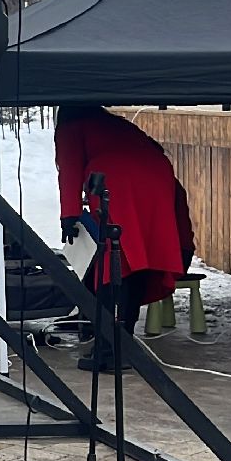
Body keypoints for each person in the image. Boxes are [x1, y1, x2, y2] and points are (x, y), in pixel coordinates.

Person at [55, 106, 196, 372]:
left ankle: (109, 353)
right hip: (157, 176)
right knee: (139, 259)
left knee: (113, 265)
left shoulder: (72, 123)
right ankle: (121, 344)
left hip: (117, 179)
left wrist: (69, 215)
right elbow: (155, 149)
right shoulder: (112, 124)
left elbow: (70, 168)